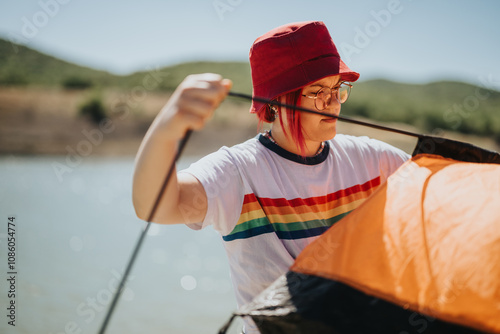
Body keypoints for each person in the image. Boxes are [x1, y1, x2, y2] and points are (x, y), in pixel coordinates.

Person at [132, 21, 410, 333]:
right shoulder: (237, 171)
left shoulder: (370, 159)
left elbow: (443, 197)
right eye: (318, 91)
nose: (332, 103)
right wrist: (165, 131)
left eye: (337, 89)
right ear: (277, 102)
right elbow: (155, 207)